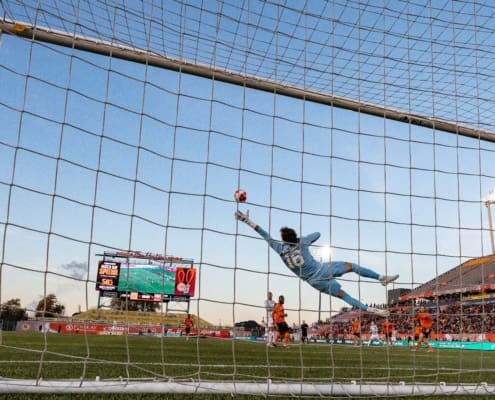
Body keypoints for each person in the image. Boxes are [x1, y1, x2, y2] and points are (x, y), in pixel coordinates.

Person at [234, 210, 398, 317]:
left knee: (344, 296)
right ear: (295, 236)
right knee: (352, 266)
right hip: (323, 269)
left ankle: (370, 309)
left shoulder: (279, 249)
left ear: (283, 240)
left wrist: (247, 221)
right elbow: (318, 234)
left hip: (313, 282)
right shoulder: (302, 242)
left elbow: (265, 235)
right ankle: (380, 278)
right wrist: (301, 239)